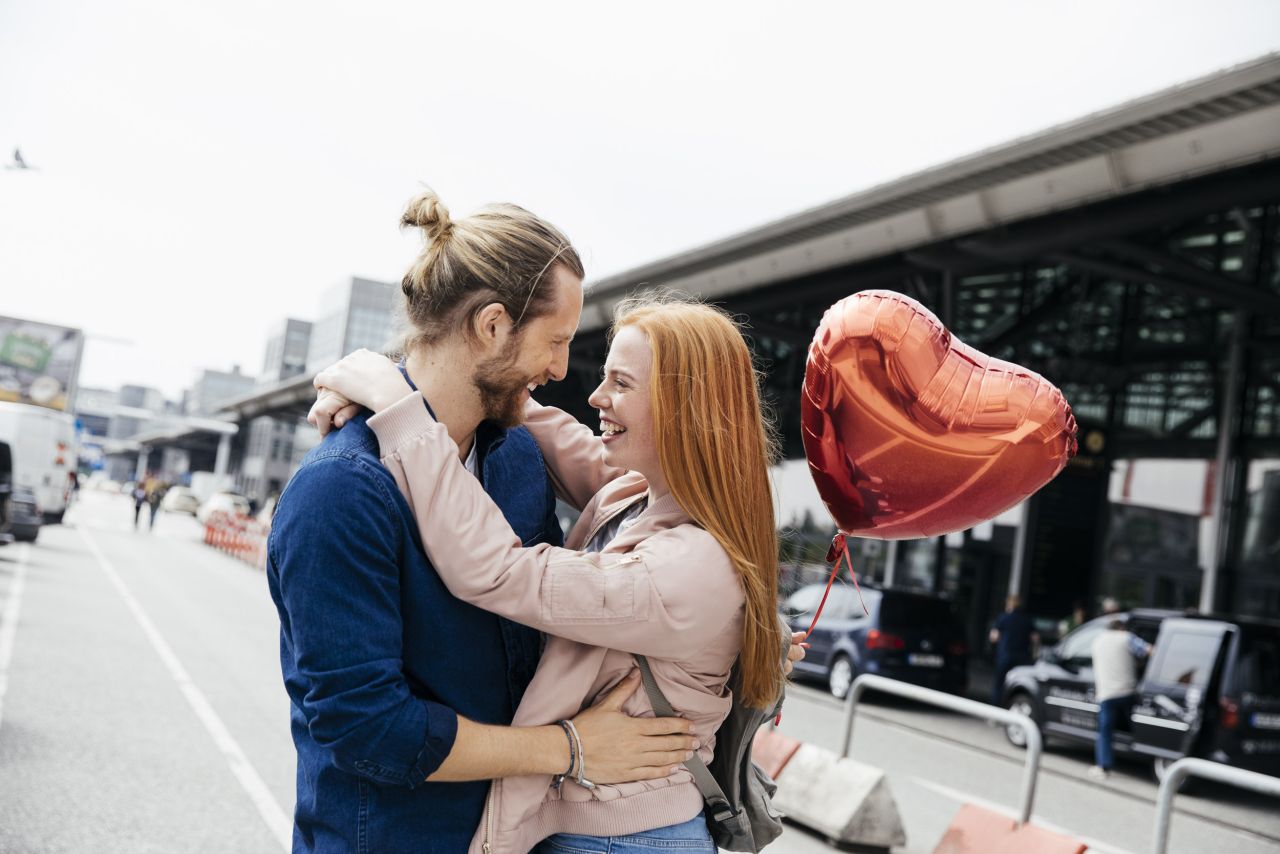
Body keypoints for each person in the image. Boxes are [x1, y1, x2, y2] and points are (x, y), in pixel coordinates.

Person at [268, 192, 697, 854]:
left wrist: (741, 626)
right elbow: (369, 728)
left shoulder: (517, 457)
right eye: (555, 342)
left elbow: (586, 593)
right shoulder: (341, 493)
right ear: (492, 326)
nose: (559, 369)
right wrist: (570, 748)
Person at [312, 292, 792, 853]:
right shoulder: (637, 490)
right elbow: (541, 422)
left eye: (621, 383)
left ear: (682, 406)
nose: (594, 395)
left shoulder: (692, 568)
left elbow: (497, 570)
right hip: (599, 823)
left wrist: (399, 409)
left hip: (628, 839)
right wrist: (401, 377)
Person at [1089, 619, 1151, 780]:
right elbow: (1149, 650)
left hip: (1106, 694)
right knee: (1135, 725)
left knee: (1105, 732)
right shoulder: (1126, 637)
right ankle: (1143, 755)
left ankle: (1104, 766)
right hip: (1127, 692)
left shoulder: (1097, 641)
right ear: (1121, 628)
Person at [989, 594, 1037, 706]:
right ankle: (1013, 708)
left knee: (999, 685)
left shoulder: (1003, 618)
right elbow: (1035, 639)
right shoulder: (1027, 620)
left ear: (1009, 604)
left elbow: (994, 637)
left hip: (1005, 657)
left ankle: (996, 710)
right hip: (1022, 659)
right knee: (1018, 685)